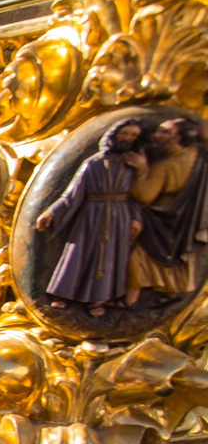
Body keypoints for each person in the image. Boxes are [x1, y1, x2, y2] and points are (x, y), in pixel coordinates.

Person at [37, 119, 144, 316]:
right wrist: (51, 212)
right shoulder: (93, 163)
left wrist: (136, 218)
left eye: (133, 135)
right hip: (91, 216)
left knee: (111, 257)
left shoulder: (133, 164)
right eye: (125, 133)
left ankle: (97, 300)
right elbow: (71, 195)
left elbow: (137, 195)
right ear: (113, 135)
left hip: (119, 217)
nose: (128, 139)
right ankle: (64, 295)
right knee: (79, 253)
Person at [125, 116, 207, 305]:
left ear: (177, 138)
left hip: (164, 219)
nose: (157, 134)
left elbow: (143, 196)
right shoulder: (199, 153)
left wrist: (142, 169)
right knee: (180, 257)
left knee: (138, 256)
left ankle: (130, 300)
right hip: (187, 219)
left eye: (165, 132)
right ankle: (172, 292)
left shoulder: (165, 167)